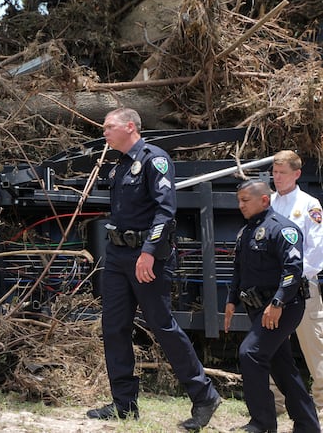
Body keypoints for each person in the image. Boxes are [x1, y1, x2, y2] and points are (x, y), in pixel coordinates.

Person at [87, 107, 221, 430]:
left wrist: (148, 252)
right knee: (114, 327)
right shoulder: (118, 165)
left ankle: (204, 396)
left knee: (162, 325)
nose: (103, 132)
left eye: (108, 127)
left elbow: (165, 212)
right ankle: (124, 405)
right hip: (118, 256)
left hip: (147, 257)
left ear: (129, 126)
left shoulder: (153, 159)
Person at [225, 180, 320, 433]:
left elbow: (293, 271)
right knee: (281, 365)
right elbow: (239, 269)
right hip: (258, 307)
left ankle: (262, 423)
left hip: (285, 306)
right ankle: (308, 425)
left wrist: (278, 301)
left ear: (264, 200)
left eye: (245, 200)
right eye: (239, 200)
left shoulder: (283, 229)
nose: (240, 205)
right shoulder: (246, 232)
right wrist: (231, 300)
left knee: (251, 353)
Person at [270, 150, 323, 407]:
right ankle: (276, 403)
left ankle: (322, 405)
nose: (277, 177)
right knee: (271, 346)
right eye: (274, 172)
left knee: (314, 347)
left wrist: (295, 280)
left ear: (297, 174)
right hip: (272, 288)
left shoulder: (309, 205)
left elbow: (316, 249)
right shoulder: (267, 202)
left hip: (301, 287)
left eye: (282, 173)